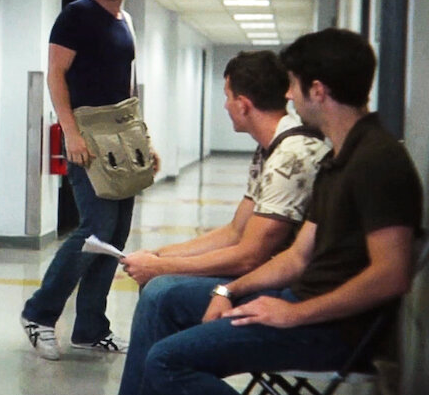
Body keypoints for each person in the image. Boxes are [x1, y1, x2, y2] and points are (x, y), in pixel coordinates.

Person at [118, 28, 422, 395]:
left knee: (166, 361)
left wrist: (293, 313)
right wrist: (228, 290)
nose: (288, 96)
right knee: (164, 306)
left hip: (332, 329)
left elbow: (391, 275)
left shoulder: (378, 160)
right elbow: (297, 257)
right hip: (300, 303)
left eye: (294, 86)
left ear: (318, 91)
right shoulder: (340, 158)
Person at [118, 50, 330, 393]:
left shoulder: (291, 155)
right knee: (159, 284)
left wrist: (161, 268)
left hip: (287, 289)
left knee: (160, 294)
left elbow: (249, 257)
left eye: (227, 96)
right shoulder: (272, 147)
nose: (225, 105)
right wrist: (160, 255)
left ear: (243, 105)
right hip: (272, 276)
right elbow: (235, 231)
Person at [20, 0, 159, 361]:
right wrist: (71, 133)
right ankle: (39, 314)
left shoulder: (125, 21)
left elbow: (127, 88)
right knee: (96, 228)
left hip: (123, 137)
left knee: (114, 236)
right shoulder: (76, 16)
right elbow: (55, 74)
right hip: (88, 137)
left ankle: (90, 329)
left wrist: (143, 140)